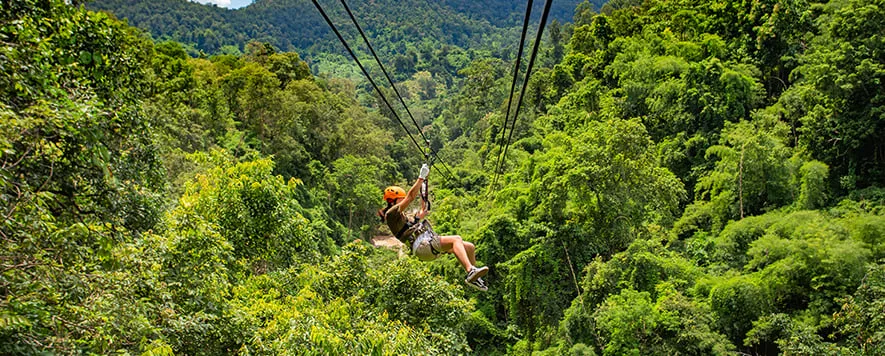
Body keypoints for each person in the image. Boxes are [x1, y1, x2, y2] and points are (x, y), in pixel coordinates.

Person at [378, 164, 489, 291]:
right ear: (393, 201)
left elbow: (415, 218)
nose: (402, 202)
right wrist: (421, 177)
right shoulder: (391, 214)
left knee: (469, 247)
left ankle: (475, 278)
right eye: (400, 200)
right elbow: (410, 197)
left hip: (425, 244)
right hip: (422, 246)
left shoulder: (402, 219)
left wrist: (420, 211)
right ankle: (470, 271)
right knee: (456, 239)